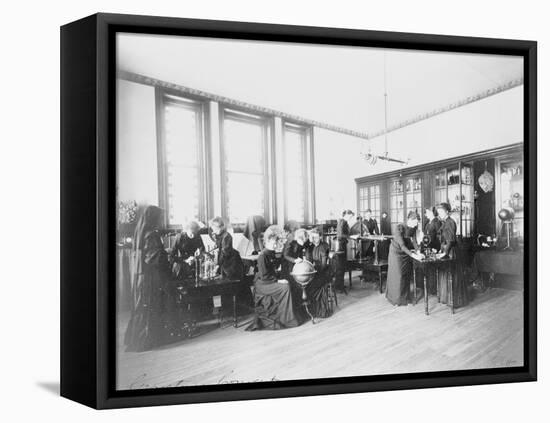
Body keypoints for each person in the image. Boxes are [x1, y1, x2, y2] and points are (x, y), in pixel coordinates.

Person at [124, 205, 179, 352]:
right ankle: (146, 340)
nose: (162, 221)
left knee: (141, 308)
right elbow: (155, 259)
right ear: (154, 218)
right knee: (149, 307)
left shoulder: (141, 232)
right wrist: (165, 255)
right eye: (160, 218)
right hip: (150, 277)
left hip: (141, 277)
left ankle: (136, 339)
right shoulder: (151, 235)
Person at [246, 225, 303, 330]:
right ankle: (287, 320)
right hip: (263, 284)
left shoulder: (271, 252)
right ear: (266, 242)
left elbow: (274, 268)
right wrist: (278, 280)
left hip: (268, 281)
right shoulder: (262, 256)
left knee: (289, 284)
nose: (275, 245)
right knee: (285, 287)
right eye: (273, 243)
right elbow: (264, 276)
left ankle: (286, 317)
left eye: (276, 243)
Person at [385, 211, 423, 306]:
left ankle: (405, 297)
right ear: (410, 220)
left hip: (406, 253)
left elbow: (414, 242)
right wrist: (413, 255)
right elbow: (402, 245)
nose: (417, 224)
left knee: (405, 275)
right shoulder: (399, 228)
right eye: (416, 222)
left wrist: (418, 251)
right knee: (398, 275)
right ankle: (396, 299)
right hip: (396, 253)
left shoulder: (413, 228)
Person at [435, 203, 469, 308]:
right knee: (445, 274)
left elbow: (450, 240)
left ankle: (454, 300)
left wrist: (444, 253)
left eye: (441, 211)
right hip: (446, 249)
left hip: (451, 252)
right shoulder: (445, 222)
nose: (439, 213)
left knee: (452, 275)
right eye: (438, 211)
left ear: (447, 212)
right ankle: (447, 298)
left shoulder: (450, 222)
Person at [305, 227, 332, 318]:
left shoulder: (324, 246)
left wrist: (314, 272)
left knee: (313, 284)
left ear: (320, 237)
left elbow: (324, 265)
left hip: (324, 272)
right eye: (312, 237)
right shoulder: (311, 246)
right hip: (315, 271)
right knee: (306, 284)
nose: (314, 240)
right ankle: (311, 309)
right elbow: (309, 261)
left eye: (316, 237)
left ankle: (318, 310)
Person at [209, 217, 244, 281]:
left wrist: (218, 265)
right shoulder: (219, 236)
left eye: (216, 230)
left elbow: (224, 253)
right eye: (213, 230)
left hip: (231, 262)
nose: (214, 231)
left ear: (222, 227)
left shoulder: (226, 236)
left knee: (228, 281)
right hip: (224, 261)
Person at [333, 209, 355, 292]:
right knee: (340, 266)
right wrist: (350, 237)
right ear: (346, 215)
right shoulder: (342, 222)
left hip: (342, 245)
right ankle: (338, 287)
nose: (350, 218)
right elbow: (340, 234)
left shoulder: (343, 221)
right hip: (340, 246)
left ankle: (340, 285)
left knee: (341, 266)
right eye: (350, 216)